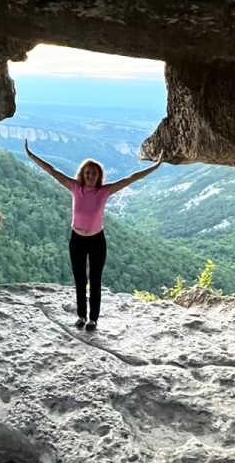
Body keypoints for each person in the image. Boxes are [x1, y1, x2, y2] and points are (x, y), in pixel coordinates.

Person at [24, 139, 164, 330]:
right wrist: (31, 155)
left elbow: (131, 178)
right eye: (88, 173)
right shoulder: (75, 187)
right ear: (82, 174)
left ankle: (93, 319)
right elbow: (51, 170)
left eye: (94, 173)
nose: (90, 176)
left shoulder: (104, 191)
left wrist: (156, 166)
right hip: (77, 240)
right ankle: (81, 316)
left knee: (95, 280)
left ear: (99, 176)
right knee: (80, 279)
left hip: (97, 240)